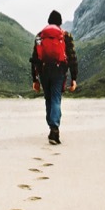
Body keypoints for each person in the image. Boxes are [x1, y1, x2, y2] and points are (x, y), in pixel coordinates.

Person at [30, 10, 78, 145]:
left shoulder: (40, 36)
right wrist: (73, 78)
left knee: (49, 98)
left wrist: (35, 79)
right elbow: (72, 57)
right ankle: (54, 128)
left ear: (49, 22)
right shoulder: (65, 36)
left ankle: (51, 125)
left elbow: (35, 59)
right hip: (59, 71)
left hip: (44, 71)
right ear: (60, 23)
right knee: (56, 98)